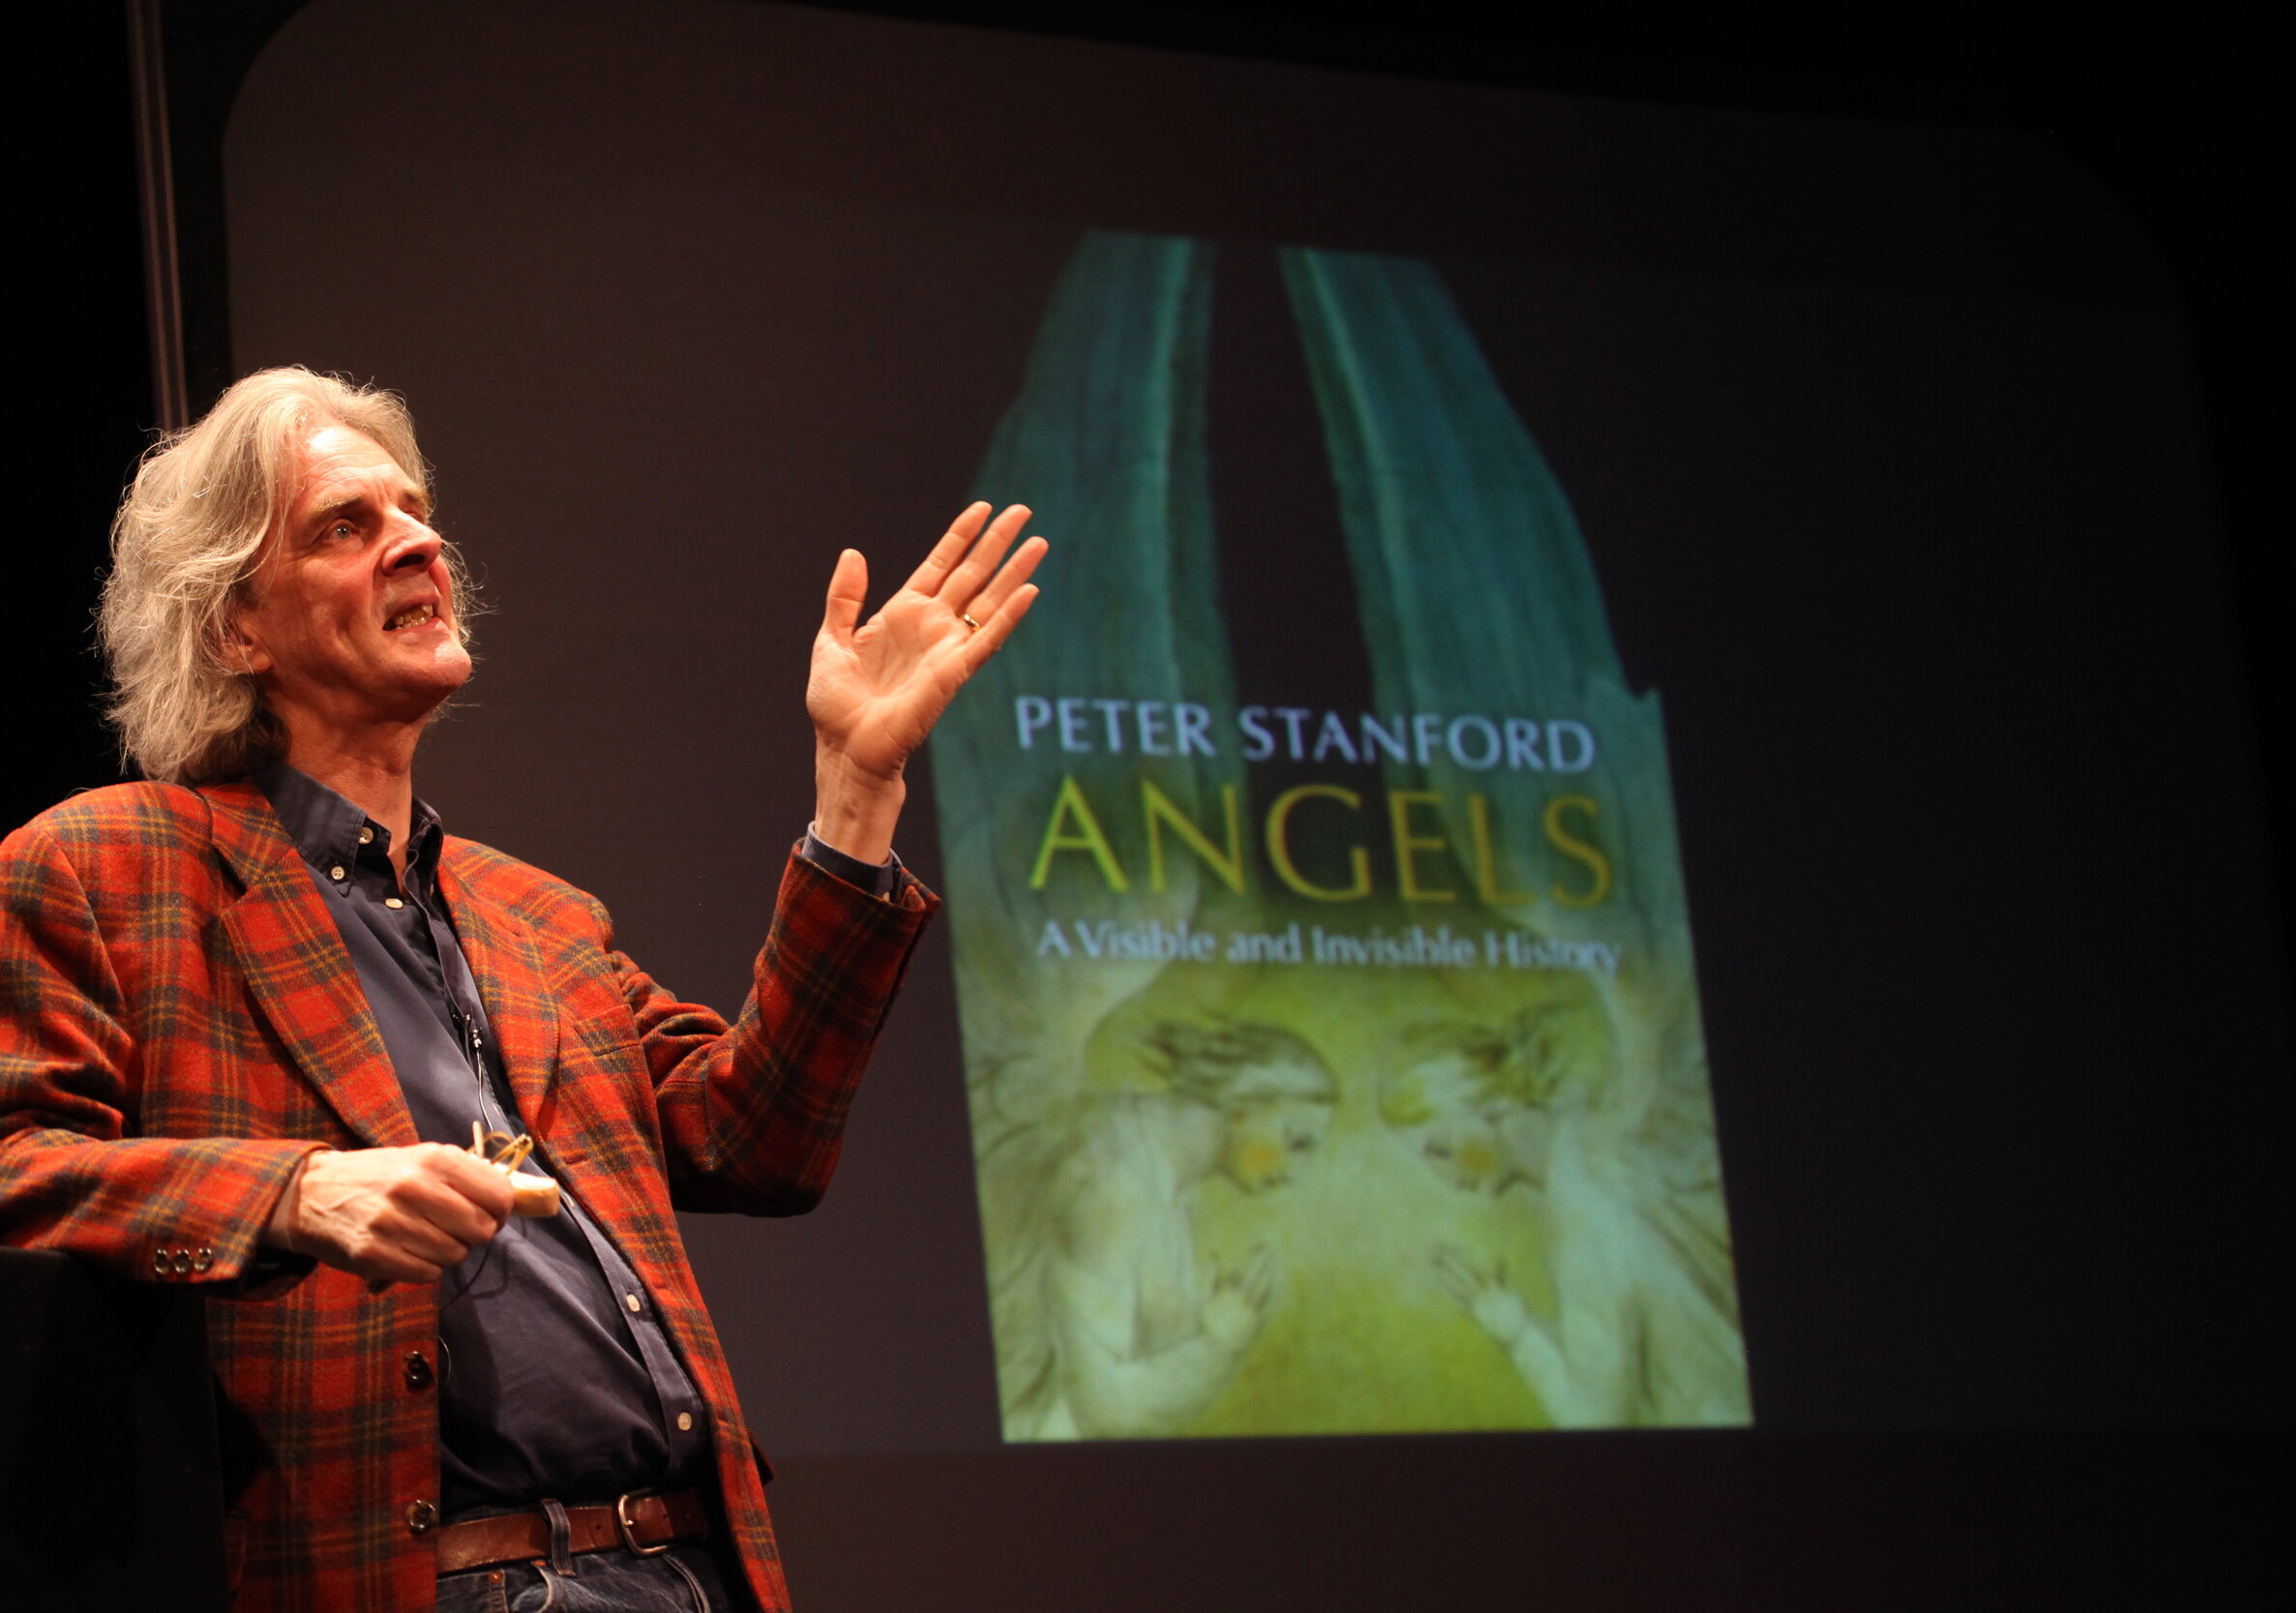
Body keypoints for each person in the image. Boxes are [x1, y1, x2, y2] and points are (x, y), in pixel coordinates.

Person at [0, 368, 1045, 1611]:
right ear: (236, 628)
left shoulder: (539, 916)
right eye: (346, 525)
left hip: (689, 1565)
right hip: (431, 1578)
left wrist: (853, 791)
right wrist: (295, 1192)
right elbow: (18, 1171)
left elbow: (758, 1137)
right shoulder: (109, 865)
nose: (419, 542)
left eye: (416, 511)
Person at [1378, 1009, 1749, 1429]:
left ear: (1491, 1102)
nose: (1444, 1178)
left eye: (1440, 1149)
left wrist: (1517, 1335)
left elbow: (1595, 1416)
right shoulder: (1596, 1138)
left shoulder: (1577, 1205)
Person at [989, 1019, 1336, 1441]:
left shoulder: (1162, 1169)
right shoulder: (1113, 1182)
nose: (1296, 1174)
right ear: (1240, 1108)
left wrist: (1202, 1328)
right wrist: (1220, 1343)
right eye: (1296, 1141)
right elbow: (1106, 1413)